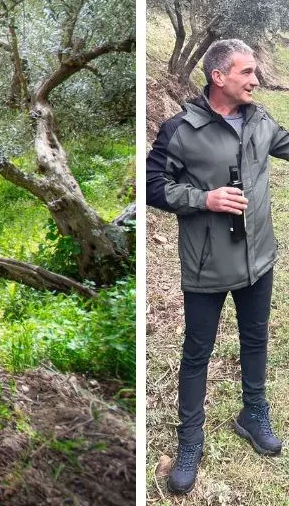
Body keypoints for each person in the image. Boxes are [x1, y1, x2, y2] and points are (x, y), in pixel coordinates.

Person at [146, 38, 286, 495]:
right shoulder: (180, 130)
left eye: (255, 73)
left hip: (258, 260)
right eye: (247, 72)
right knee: (197, 352)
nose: (255, 80)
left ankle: (253, 412)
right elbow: (152, 186)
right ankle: (190, 441)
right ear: (218, 76)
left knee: (255, 338)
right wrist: (203, 198)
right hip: (207, 266)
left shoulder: (260, 120)